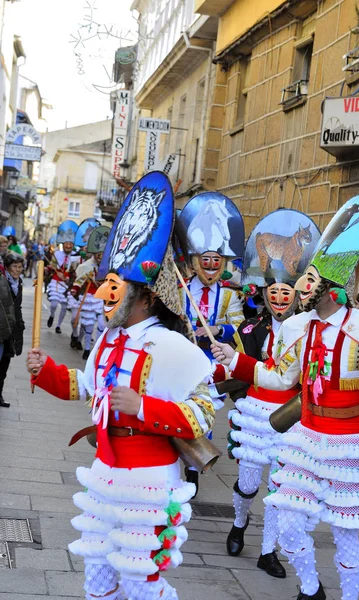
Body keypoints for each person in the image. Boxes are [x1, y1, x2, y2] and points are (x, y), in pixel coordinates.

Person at [27, 172, 215, 600]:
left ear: (146, 297)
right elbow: (87, 387)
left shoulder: (172, 346)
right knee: (97, 580)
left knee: (140, 583)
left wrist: (143, 405)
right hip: (105, 473)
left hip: (150, 479)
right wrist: (46, 371)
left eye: (117, 285)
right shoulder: (109, 339)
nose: (104, 292)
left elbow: (204, 413)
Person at [212, 195, 359, 600]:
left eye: (309, 281)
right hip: (305, 439)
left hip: (351, 445)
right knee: (290, 525)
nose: (300, 287)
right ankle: (311, 591)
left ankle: (349, 596)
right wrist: (237, 362)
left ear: (331, 289)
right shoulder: (298, 328)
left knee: (346, 534)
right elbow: (281, 378)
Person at [224, 210, 321, 578]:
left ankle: (269, 552)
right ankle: (238, 522)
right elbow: (235, 374)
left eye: (286, 292)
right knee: (248, 485)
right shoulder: (250, 330)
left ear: (296, 295)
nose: (280, 298)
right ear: (264, 294)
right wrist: (225, 365)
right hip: (255, 416)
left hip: (292, 418)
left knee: (279, 490)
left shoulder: (309, 332)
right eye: (274, 292)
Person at [178, 191, 245, 494]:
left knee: (203, 415)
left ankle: (193, 463)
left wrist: (217, 330)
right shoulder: (180, 290)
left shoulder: (229, 295)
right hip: (181, 360)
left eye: (215, 261)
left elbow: (240, 325)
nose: (210, 265)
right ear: (196, 261)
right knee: (180, 410)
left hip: (211, 365)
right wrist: (184, 327)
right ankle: (183, 460)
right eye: (205, 260)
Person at [69, 226, 110, 359]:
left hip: (103, 298)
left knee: (102, 324)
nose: (101, 257)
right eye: (99, 255)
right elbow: (79, 281)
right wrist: (75, 289)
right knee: (89, 324)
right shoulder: (86, 266)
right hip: (90, 297)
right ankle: (87, 349)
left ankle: (96, 349)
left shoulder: (109, 267)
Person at [47, 220, 80, 334]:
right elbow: (51, 267)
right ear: (63, 244)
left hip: (66, 285)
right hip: (56, 282)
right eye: (67, 244)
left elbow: (75, 273)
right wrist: (50, 270)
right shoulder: (56, 254)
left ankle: (58, 325)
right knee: (54, 304)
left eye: (70, 244)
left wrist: (69, 278)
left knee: (65, 306)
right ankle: (51, 315)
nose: (68, 246)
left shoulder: (76, 258)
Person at [0, 253, 24, 407]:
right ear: (7, 267)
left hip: (12, 329)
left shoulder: (18, 283)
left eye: (20, 267)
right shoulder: (2, 281)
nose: (17, 270)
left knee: (4, 365)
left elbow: (17, 307)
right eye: (14, 266)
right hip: (2, 328)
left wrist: (19, 327)